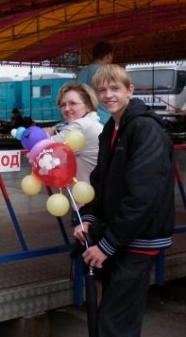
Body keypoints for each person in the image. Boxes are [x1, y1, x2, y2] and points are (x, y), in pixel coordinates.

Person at [73, 64, 175, 337]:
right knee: (112, 315)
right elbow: (100, 181)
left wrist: (106, 246)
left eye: (115, 88)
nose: (108, 95)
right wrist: (88, 218)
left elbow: (143, 195)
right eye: (102, 90)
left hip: (139, 238)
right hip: (120, 235)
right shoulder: (112, 128)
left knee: (114, 321)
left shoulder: (144, 128)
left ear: (129, 90)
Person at [45, 82, 103, 183]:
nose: (67, 109)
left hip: (89, 190)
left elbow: (44, 150)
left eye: (73, 103)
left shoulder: (81, 125)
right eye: (63, 105)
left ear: (89, 106)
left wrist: (47, 134)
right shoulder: (94, 122)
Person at [76, 41, 114, 124]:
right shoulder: (108, 73)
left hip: (83, 120)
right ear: (108, 55)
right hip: (104, 120)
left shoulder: (81, 72)